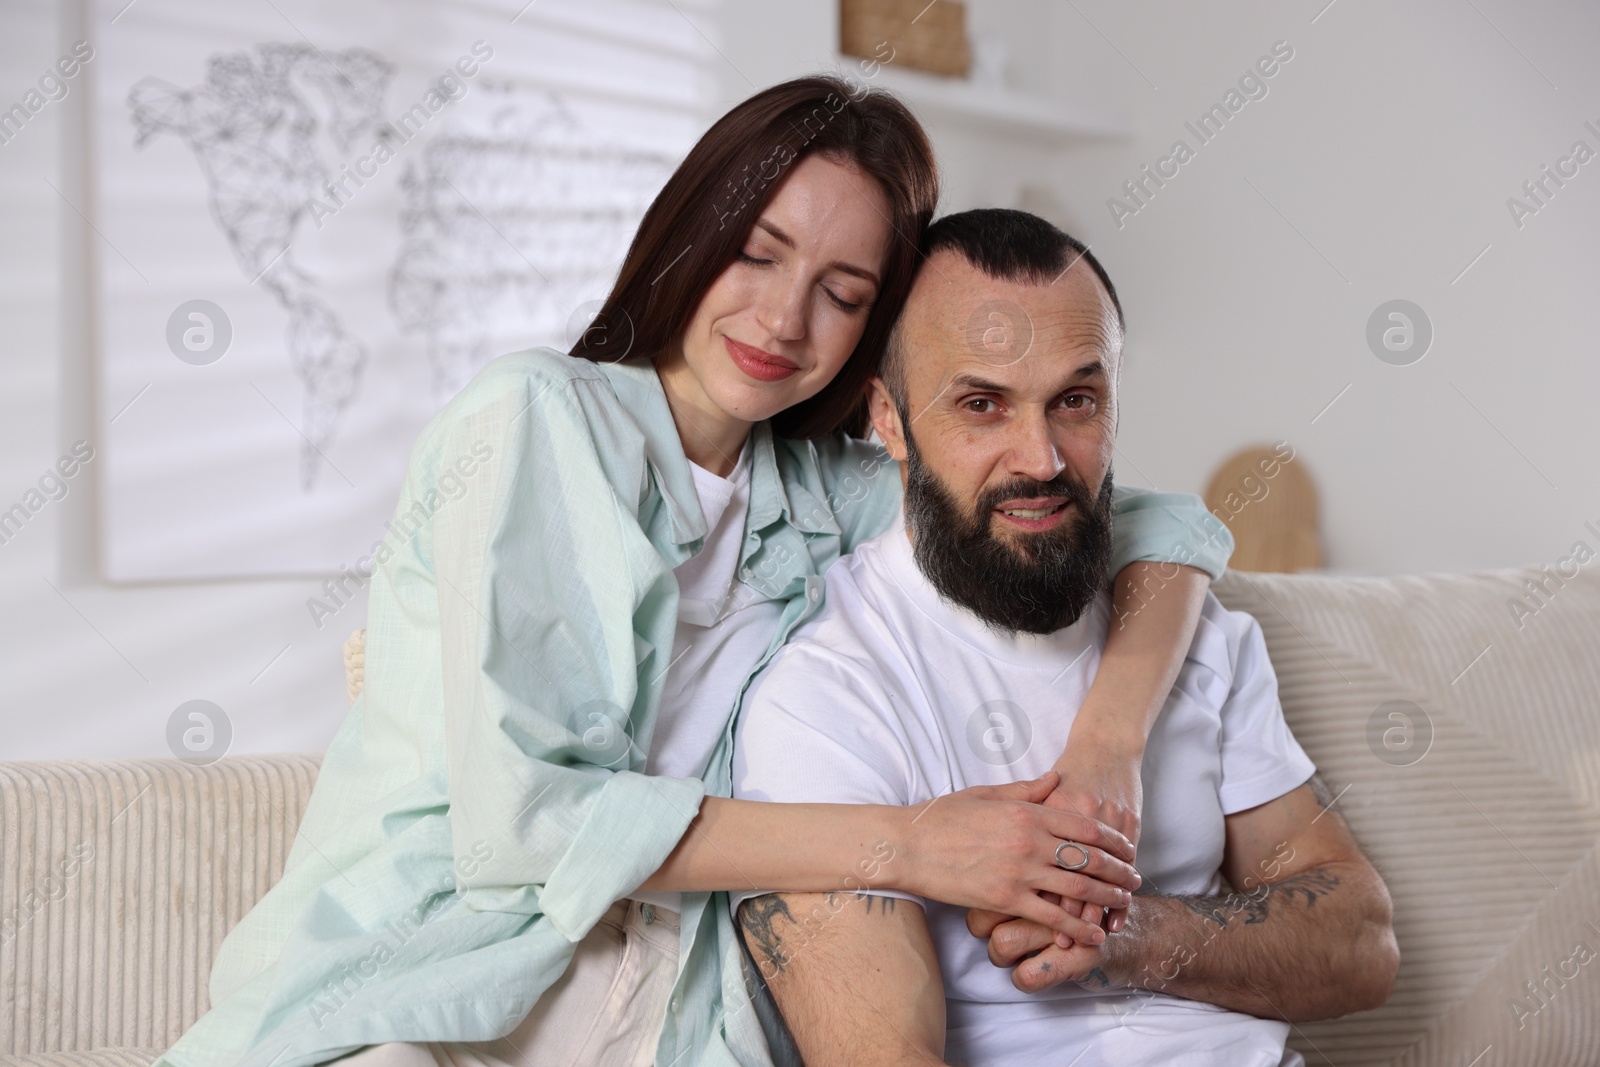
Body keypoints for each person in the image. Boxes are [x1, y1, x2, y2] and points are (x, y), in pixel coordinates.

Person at [155, 80, 1233, 1067]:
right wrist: (912, 844)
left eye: (842, 291)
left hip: (672, 1003)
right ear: (692, 233)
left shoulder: (829, 490)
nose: (782, 318)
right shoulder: (534, 415)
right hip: (431, 984)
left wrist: (1106, 747)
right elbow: (528, 819)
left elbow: (1155, 527)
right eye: (756, 254)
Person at [732, 209, 1399, 1067]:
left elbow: (1361, 943)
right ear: (888, 419)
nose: (1041, 457)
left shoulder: (1196, 636)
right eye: (982, 404)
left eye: (1075, 400)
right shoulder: (826, 697)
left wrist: (1120, 931)